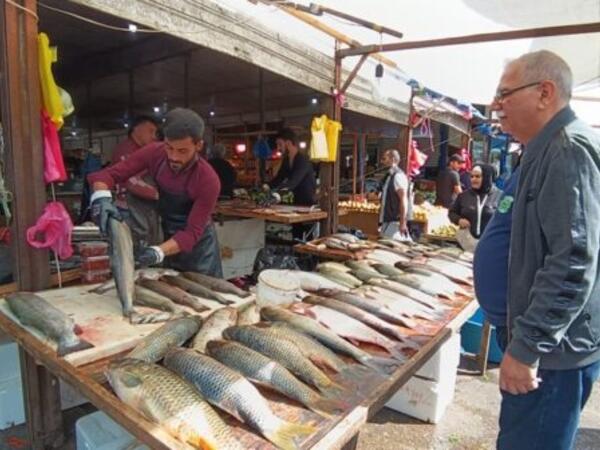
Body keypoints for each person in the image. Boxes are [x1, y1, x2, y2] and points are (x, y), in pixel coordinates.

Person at [491, 50, 600, 450]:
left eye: (505, 94)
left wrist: (527, 348)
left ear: (544, 92)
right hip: (546, 351)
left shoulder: (566, 150)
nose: (497, 106)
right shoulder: (546, 148)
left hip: (551, 358)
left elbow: (573, 262)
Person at [88, 108, 223, 277]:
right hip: (168, 237)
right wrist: (101, 198)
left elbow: (191, 234)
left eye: (182, 151)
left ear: (198, 145)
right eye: (169, 147)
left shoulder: (208, 180)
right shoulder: (154, 152)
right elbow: (108, 174)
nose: (173, 156)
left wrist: (157, 252)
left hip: (200, 250)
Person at [473, 162, 520, 340]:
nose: (474, 179)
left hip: (527, 331)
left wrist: (534, 339)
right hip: (508, 321)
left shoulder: (562, 158)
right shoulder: (529, 167)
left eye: (478, 176)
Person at [111, 116, 162, 248]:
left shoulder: (143, 151)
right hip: (129, 210)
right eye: (150, 131)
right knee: (136, 249)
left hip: (142, 210)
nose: (154, 136)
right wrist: (160, 195)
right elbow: (131, 182)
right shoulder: (126, 150)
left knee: (146, 246)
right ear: (137, 129)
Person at [448, 164, 501, 238]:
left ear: (487, 178)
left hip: (490, 243)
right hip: (466, 242)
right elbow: (452, 213)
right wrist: (459, 220)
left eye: (477, 176)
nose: (473, 179)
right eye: (472, 176)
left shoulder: (499, 196)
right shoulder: (463, 196)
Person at [268, 128, 316, 206]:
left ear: (289, 143)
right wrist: (266, 186)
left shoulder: (303, 160)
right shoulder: (286, 160)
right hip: (294, 202)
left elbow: (293, 181)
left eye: (280, 144)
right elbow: (279, 178)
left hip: (307, 205)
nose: (278, 148)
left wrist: (277, 194)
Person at [378, 149, 410, 239]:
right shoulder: (390, 176)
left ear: (392, 160)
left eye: (385, 159)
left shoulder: (398, 176)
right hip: (388, 220)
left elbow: (403, 199)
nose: (382, 162)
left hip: (394, 222)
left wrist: (402, 222)